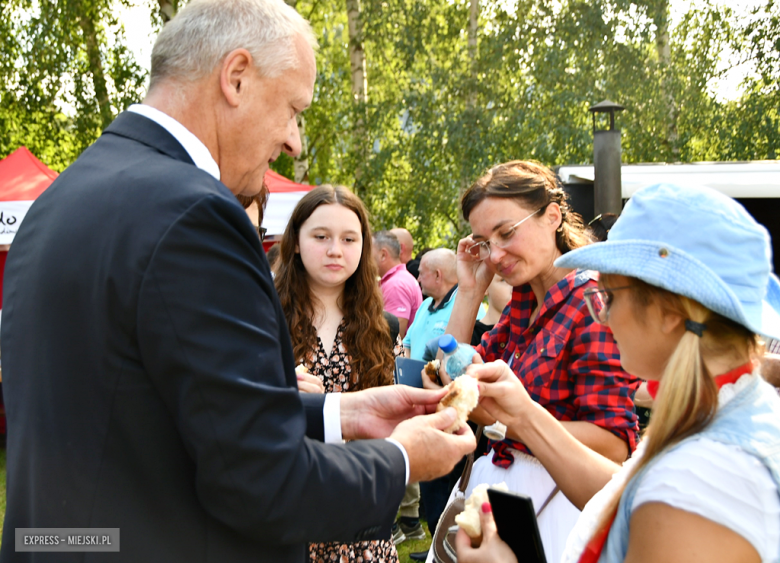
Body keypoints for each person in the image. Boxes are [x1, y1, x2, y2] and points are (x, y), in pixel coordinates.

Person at [0, 1, 475, 561]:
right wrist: (399, 460)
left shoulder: (65, 198)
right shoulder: (193, 215)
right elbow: (258, 479)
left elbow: (152, 402)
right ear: (237, 77)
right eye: (294, 110)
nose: (295, 141)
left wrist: (340, 413)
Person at [458, 183, 780, 563]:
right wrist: (523, 416)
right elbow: (621, 493)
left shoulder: (695, 481)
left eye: (608, 296)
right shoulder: (722, 416)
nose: (603, 315)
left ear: (670, 310)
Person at [424, 160, 640, 563]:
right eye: (485, 241)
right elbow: (452, 370)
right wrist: (469, 291)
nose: (497, 254)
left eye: (506, 233)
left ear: (552, 216)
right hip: (506, 498)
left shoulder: (591, 301)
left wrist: (506, 422)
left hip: (557, 508)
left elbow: (614, 444)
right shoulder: (523, 299)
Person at [274, 184, 400, 562]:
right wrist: (277, 388)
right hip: (286, 505)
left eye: (349, 238)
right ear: (296, 241)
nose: (335, 250)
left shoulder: (383, 326)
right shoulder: (264, 318)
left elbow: (388, 421)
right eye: (321, 236)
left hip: (358, 508)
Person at [374, 230, 423, 339]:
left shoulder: (395, 285)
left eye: (368, 253)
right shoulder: (400, 279)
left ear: (383, 255)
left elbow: (392, 336)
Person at [471, 274, 513, 346]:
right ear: (485, 287)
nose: (514, 289)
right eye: (504, 280)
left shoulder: (528, 330)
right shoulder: (471, 335)